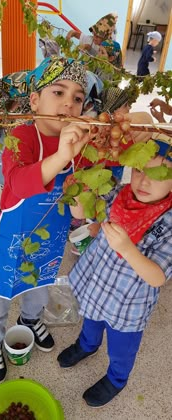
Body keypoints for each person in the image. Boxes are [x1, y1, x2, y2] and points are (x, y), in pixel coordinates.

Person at [0, 56, 95, 383]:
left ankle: (30, 321)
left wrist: (82, 194)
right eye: (58, 92)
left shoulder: (79, 146)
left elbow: (78, 212)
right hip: (12, 240)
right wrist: (61, 156)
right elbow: (17, 183)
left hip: (49, 242)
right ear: (34, 100)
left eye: (77, 98)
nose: (68, 104)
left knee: (39, 289)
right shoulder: (22, 137)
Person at [57, 139, 172, 407]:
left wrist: (128, 249)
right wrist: (76, 196)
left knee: (122, 348)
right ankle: (87, 345)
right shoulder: (119, 193)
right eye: (141, 170)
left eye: (158, 175)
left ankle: (117, 379)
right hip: (97, 283)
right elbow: (85, 213)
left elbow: (158, 277)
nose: (144, 181)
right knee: (91, 320)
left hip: (127, 303)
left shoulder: (167, 222)